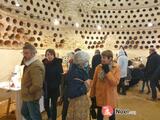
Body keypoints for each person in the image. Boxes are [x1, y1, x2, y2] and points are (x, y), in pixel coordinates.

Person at [90, 50, 120, 120]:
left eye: (104, 58)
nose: (101, 59)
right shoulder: (98, 67)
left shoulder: (116, 68)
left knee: (111, 117)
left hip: (109, 97)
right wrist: (92, 95)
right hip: (100, 96)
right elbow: (94, 82)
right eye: (101, 57)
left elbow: (115, 82)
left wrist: (107, 72)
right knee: (99, 117)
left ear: (110, 58)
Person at [21, 43, 45, 120]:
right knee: (24, 112)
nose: (24, 55)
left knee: (35, 116)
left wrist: (28, 91)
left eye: (26, 53)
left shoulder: (35, 66)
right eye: (23, 53)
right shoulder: (30, 63)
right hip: (27, 95)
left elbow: (37, 85)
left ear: (33, 53)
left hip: (31, 96)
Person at [66, 51, 91, 120]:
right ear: (81, 62)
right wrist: (86, 86)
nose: (87, 63)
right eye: (86, 61)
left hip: (79, 101)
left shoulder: (77, 70)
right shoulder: (76, 72)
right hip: (77, 102)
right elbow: (73, 92)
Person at [42, 49, 63, 120]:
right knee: (46, 105)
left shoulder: (58, 63)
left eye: (51, 54)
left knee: (54, 106)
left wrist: (56, 84)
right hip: (46, 88)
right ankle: (49, 116)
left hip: (54, 88)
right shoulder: (44, 63)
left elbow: (60, 75)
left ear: (53, 55)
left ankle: (53, 118)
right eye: (47, 54)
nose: (49, 56)